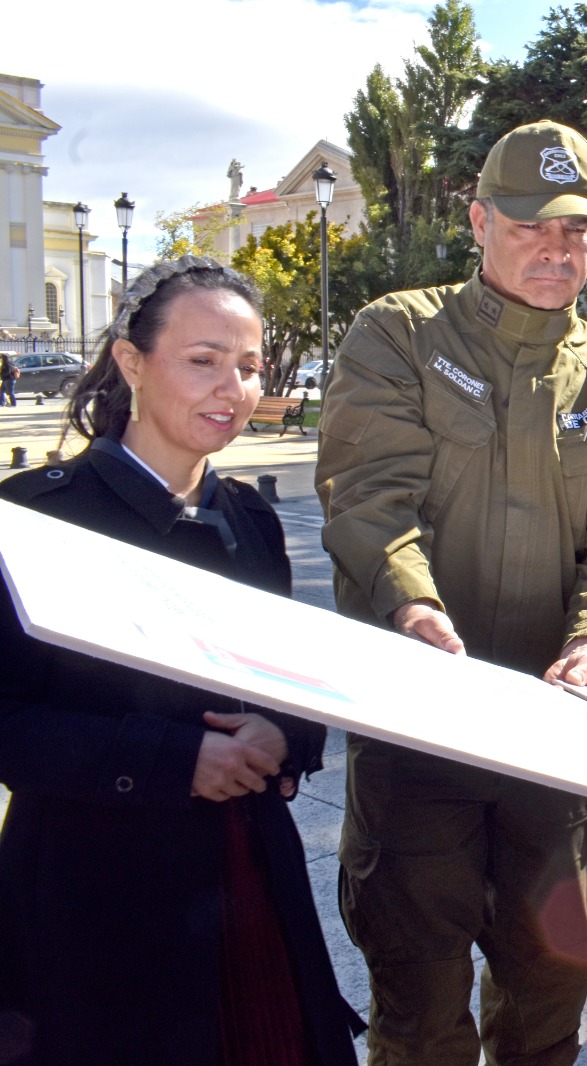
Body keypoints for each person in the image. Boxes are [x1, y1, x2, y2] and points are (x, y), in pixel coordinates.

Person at [316, 120, 587, 1066]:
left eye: (580, 230)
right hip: (418, 734)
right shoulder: (397, 336)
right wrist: (411, 604)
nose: (558, 247)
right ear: (479, 220)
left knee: (549, 998)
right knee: (420, 1007)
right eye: (531, 225)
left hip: (549, 749)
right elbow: (367, 495)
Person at [0, 256, 359, 1066]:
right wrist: (171, 760)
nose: (230, 387)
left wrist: (285, 736)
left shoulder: (251, 520)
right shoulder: (34, 519)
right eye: (203, 361)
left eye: (248, 366)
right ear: (132, 361)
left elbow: (287, 680)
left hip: (247, 876)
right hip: (91, 900)